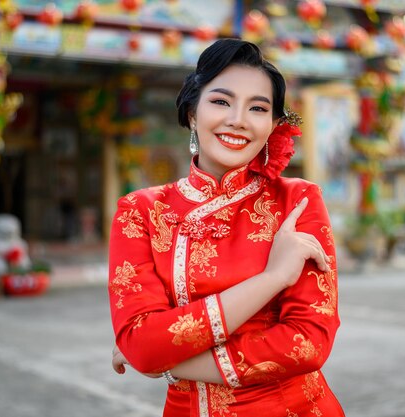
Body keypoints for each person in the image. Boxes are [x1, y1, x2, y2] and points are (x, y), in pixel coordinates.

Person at [108, 38, 344, 417]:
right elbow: (140, 342)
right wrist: (274, 277)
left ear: (272, 126)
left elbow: (308, 343)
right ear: (191, 114)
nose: (238, 119)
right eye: (221, 101)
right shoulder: (140, 211)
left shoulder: (297, 201)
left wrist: (166, 362)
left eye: (258, 108)